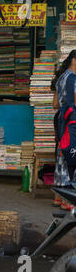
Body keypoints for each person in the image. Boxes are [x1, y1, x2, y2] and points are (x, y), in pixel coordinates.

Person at [52, 50, 76, 211]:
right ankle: (68, 199)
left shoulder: (61, 77)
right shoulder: (72, 78)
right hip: (72, 120)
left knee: (63, 155)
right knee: (72, 156)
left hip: (63, 119)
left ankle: (59, 198)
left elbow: (55, 104)